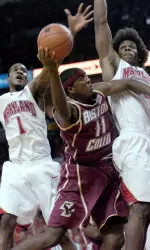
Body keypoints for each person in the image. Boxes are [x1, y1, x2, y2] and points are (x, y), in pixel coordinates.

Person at [11, 46, 150, 250]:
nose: (88, 80)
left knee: (115, 238)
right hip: (80, 176)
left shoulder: (99, 91)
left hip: (107, 172)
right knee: (53, 236)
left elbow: (128, 82)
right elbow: (61, 104)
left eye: (86, 76)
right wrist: (52, 72)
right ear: (71, 90)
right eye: (82, 79)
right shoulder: (69, 112)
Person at [0, 4, 93, 250]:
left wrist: (70, 33)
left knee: (58, 232)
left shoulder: (34, 93)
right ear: (8, 79)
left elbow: (51, 64)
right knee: (6, 222)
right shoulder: (1, 102)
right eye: (14, 70)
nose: (19, 72)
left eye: (23, 70)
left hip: (41, 165)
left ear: (28, 78)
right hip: (15, 168)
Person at [94, 0, 150, 249]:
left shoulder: (146, 76)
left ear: (139, 51)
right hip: (133, 139)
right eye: (122, 46)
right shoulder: (116, 67)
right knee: (140, 207)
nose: (127, 49)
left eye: (131, 47)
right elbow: (101, 23)